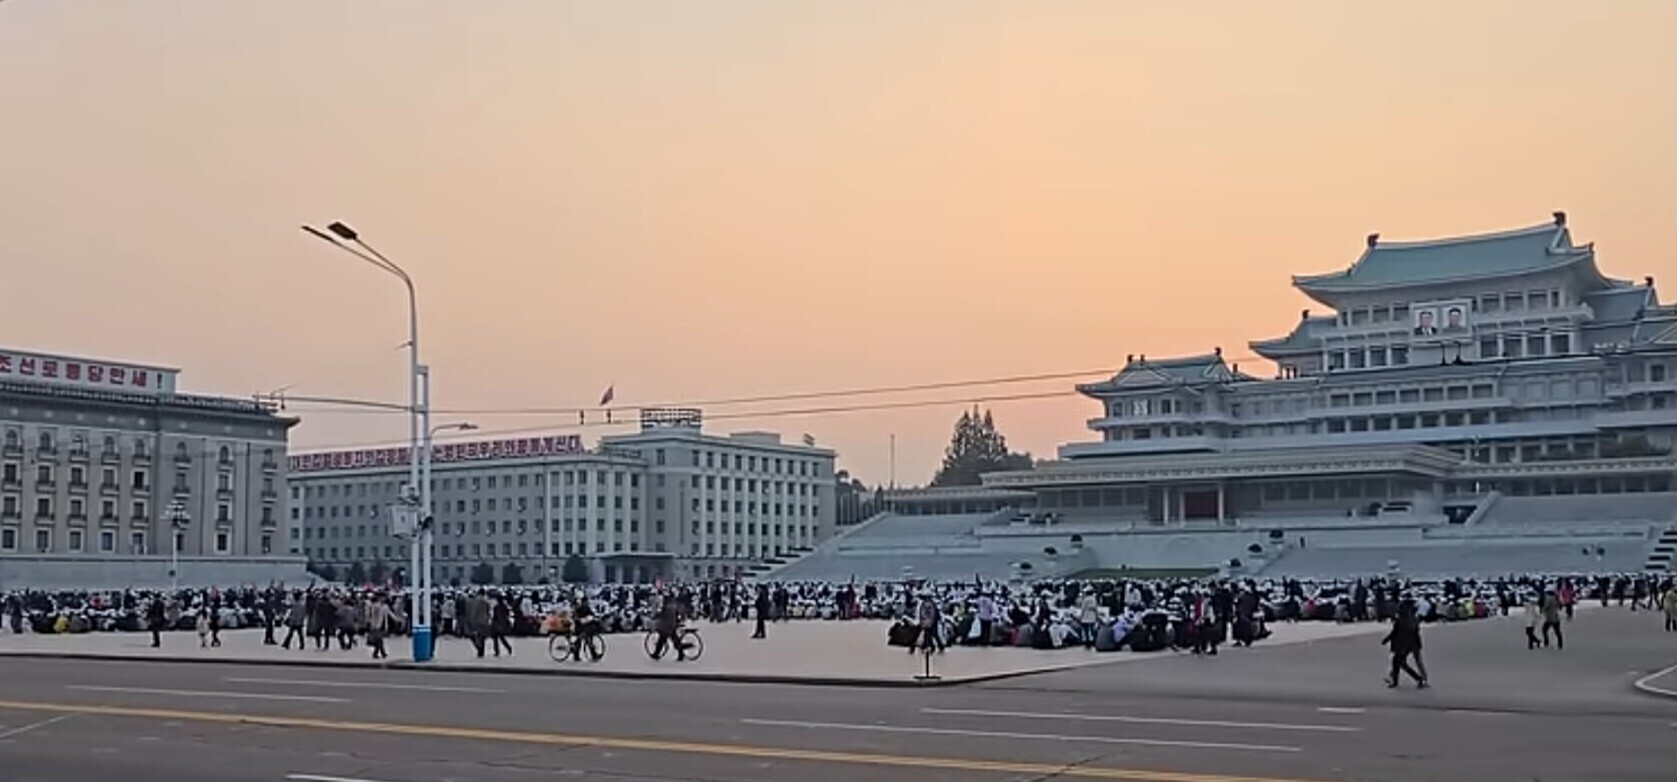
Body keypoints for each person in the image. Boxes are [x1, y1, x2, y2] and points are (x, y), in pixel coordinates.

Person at [1382, 600, 1427, 689]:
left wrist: (1386, 639)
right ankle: (1418, 679)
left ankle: (1416, 679)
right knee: (1400, 663)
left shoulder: (1400, 620)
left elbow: (1394, 632)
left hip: (1401, 644)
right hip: (1410, 644)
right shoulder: (1413, 619)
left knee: (1399, 663)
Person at [652, 593, 689, 661]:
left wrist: (654, 617)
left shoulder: (665, 606)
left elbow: (659, 614)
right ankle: (681, 655)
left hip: (666, 626)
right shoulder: (675, 605)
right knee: (674, 639)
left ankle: (656, 654)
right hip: (672, 624)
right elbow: (678, 613)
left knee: (662, 639)